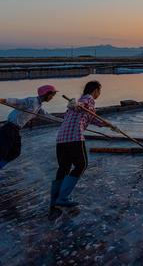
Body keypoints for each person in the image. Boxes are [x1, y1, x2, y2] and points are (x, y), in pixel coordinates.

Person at [50, 80, 114, 209]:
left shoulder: (83, 103)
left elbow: (91, 117)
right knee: (81, 165)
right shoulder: (88, 99)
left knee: (64, 168)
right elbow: (78, 106)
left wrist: (108, 124)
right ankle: (62, 197)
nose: (99, 94)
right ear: (95, 90)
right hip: (74, 137)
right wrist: (74, 104)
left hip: (61, 138)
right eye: (99, 91)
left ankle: (55, 197)